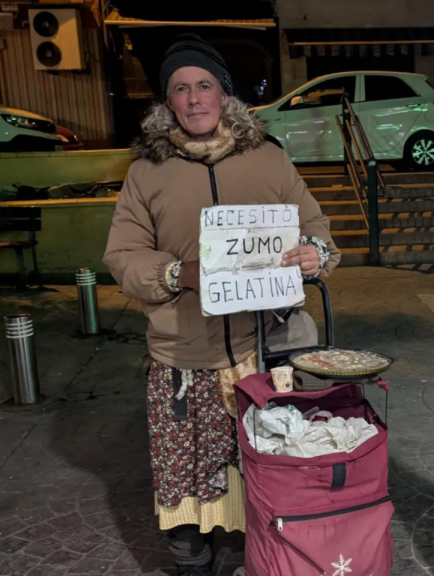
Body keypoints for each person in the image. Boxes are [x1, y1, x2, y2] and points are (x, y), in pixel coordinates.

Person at [102, 34, 340, 576]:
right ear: (167, 103)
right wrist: (173, 273)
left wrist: (314, 253)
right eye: (179, 89)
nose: (193, 99)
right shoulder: (146, 172)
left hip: (266, 346)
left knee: (261, 461)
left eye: (204, 85)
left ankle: (256, 547)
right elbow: (122, 254)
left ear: (224, 95)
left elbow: (317, 228)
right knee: (185, 468)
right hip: (184, 352)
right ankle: (190, 552)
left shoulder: (270, 160)